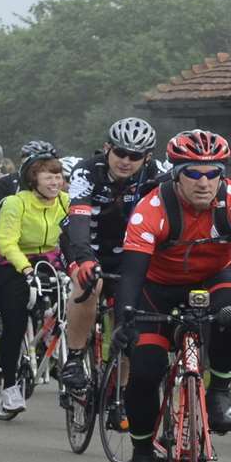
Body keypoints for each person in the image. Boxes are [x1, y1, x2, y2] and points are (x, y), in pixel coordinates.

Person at [114, 129, 231, 462]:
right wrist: (125, 320)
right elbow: (132, 274)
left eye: (212, 172)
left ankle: (219, 391)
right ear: (175, 174)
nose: (204, 182)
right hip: (158, 288)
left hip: (213, 279)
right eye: (193, 173)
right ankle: (143, 457)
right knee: (147, 369)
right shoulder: (152, 208)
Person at [60, 117, 167, 391]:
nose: (126, 160)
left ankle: (118, 391)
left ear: (147, 157)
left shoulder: (157, 173)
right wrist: (84, 260)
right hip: (85, 242)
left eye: (135, 155)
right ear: (107, 148)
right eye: (120, 152)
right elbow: (80, 220)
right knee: (90, 283)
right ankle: (73, 358)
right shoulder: (86, 171)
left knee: (127, 313)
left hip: (127, 248)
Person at [0, 149, 71, 414]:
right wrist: (25, 268)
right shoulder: (15, 203)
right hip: (12, 263)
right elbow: (6, 242)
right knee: (15, 318)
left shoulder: (66, 202)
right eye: (49, 177)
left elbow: (73, 236)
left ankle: (56, 351)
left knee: (73, 303)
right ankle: (9, 386)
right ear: (33, 179)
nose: (55, 183)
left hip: (51, 262)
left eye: (58, 177)